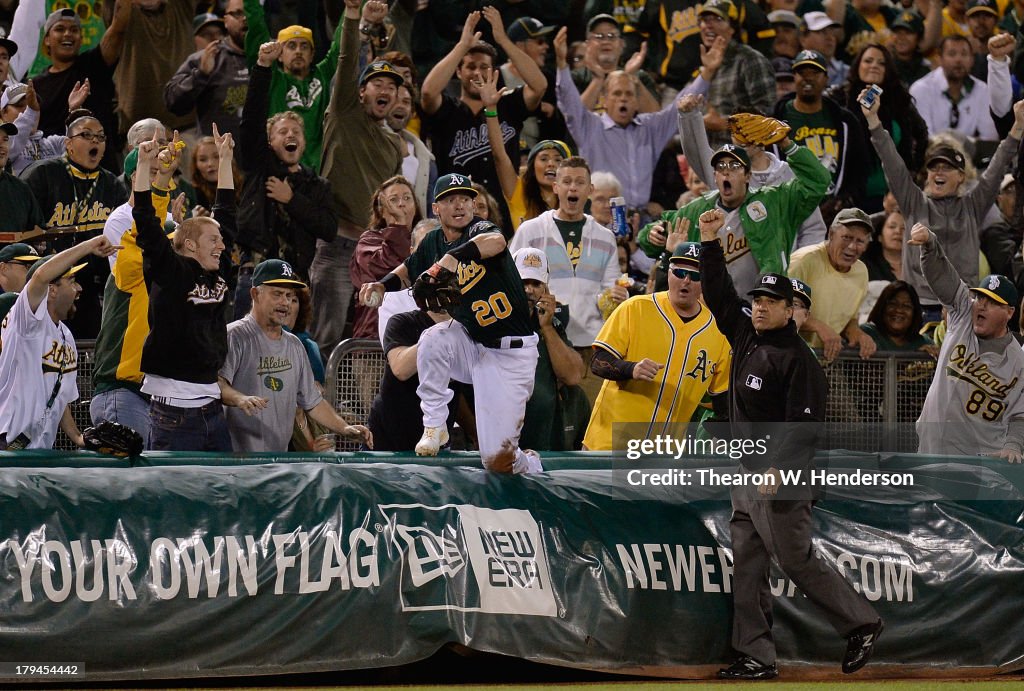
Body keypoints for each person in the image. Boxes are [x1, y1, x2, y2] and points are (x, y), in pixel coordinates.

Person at [697, 207, 884, 681]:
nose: (759, 305)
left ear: (790, 312)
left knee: (795, 560)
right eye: (757, 298)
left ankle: (861, 623)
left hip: (780, 478)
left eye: (770, 301)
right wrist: (710, 241)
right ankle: (756, 656)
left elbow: (803, 428)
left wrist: (777, 471)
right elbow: (719, 295)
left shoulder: (798, 360)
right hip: (746, 474)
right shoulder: (746, 335)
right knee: (748, 568)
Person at [359, 174, 542, 474]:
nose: (459, 205)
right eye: (450, 199)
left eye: (465, 198)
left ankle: (530, 464)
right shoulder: (433, 241)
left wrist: (452, 259)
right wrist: (381, 285)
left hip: (512, 353)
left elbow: (495, 242)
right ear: (436, 208)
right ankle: (434, 426)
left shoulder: (479, 229)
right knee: (433, 338)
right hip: (473, 344)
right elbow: (409, 269)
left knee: (497, 460)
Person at [863, 90, 1023, 322]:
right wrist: (873, 120)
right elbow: (891, 161)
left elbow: (998, 166)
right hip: (916, 308)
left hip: (961, 308)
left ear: (961, 176)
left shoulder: (973, 205)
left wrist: (1018, 126)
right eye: (934, 167)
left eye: (946, 168)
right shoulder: (913, 202)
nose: (938, 172)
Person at [132, 131, 236, 452]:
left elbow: (228, 217)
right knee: (174, 500)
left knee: (221, 496)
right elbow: (147, 225)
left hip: (212, 406)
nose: (221, 246)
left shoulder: (219, 272)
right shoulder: (171, 271)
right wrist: (144, 163)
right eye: (213, 241)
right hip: (173, 412)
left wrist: (226, 161)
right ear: (190, 245)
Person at [313, 0, 404, 355]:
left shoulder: (394, 145)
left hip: (374, 254)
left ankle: (359, 408)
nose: (384, 89)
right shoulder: (343, 112)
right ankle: (312, 409)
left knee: (370, 339)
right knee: (326, 336)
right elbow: (347, 61)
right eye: (377, 82)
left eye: (391, 86)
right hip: (335, 245)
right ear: (361, 91)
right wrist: (353, 18)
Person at [90, 131, 192, 440]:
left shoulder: (163, 248)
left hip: (155, 389)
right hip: (125, 390)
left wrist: (164, 177)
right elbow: (145, 236)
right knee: (129, 486)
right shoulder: (127, 243)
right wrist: (159, 180)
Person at [582, 241, 731, 450]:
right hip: (609, 444)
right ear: (668, 273)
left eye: (695, 275)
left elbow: (723, 399)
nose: (685, 281)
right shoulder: (636, 308)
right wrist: (631, 369)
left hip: (663, 456)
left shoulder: (719, 331)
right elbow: (597, 362)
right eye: (679, 272)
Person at [638, 138, 830, 297]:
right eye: (721, 167)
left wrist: (788, 144)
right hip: (708, 312)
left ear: (748, 175)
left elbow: (818, 181)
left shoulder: (773, 202)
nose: (726, 171)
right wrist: (652, 235)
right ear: (715, 177)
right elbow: (654, 234)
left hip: (758, 310)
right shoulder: (697, 210)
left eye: (735, 166)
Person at [219, 259, 372, 452]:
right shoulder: (235, 335)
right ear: (255, 293)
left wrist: (344, 428)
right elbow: (217, 384)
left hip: (279, 460)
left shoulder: (294, 345)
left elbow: (313, 402)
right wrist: (240, 399)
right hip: (237, 461)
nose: (285, 303)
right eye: (277, 294)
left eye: (290, 296)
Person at [235, 39, 339, 313]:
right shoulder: (259, 167)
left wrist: (292, 200)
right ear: (269, 142)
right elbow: (252, 119)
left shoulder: (317, 186)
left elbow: (328, 228)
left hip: (296, 282)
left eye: (296, 132)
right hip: (255, 274)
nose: (290, 135)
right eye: (282, 132)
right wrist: (263, 67)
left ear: (304, 143)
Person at [509, 156, 625, 400]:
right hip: (542, 345)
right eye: (567, 181)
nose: (573, 187)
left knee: (590, 429)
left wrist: (614, 297)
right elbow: (512, 283)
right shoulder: (530, 231)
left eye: (580, 182)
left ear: (590, 190)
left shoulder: (605, 237)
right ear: (556, 187)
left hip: (592, 346)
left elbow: (609, 293)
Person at [908, 221, 1024, 460]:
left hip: (978, 460)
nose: (981, 305)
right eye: (980, 297)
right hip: (931, 447)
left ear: (1009, 312)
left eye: (992, 302)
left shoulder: (1018, 361)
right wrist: (930, 246)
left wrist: (1014, 444)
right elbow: (944, 278)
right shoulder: (963, 314)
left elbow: (1019, 413)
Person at [419, 7, 547, 219]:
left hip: (506, 214)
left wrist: (504, 41)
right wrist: (461, 47)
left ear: (494, 71)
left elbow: (539, 85)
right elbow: (427, 92)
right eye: (470, 66)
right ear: (458, 72)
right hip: (456, 217)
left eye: (484, 67)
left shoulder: (507, 105)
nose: (477, 72)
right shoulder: (448, 110)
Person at [0, 234, 118, 450]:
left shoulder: (66, 336)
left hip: (40, 448)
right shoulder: (28, 320)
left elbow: (60, 398)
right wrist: (89, 245)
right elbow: (40, 277)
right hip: (7, 444)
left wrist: (78, 438)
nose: (79, 289)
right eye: (72, 282)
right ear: (52, 290)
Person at [22, 109, 129, 338]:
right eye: (87, 135)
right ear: (69, 144)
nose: (95, 142)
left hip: (93, 285)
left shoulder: (112, 185)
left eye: (100, 137)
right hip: (51, 283)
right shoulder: (42, 175)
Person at [554, 25, 681, 212]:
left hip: (640, 217)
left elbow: (663, 116)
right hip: (599, 216)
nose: (623, 98)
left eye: (629, 94)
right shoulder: (591, 125)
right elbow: (571, 106)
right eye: (617, 93)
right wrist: (562, 63)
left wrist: (706, 75)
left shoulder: (646, 127)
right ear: (604, 100)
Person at [677, 94, 827, 251]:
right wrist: (689, 116)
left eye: (754, 128)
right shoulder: (723, 173)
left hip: (784, 272)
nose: (746, 136)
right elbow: (696, 151)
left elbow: (812, 228)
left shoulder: (791, 174)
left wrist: (799, 266)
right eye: (738, 130)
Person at [11, 2, 132, 172]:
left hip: (100, 171)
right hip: (55, 176)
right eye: (60, 29)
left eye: (74, 30)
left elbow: (117, 30)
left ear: (81, 39)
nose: (68, 34)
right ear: (46, 39)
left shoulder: (94, 65)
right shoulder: (34, 86)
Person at [826, 43, 929, 211]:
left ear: (888, 69)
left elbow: (922, 135)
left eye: (881, 63)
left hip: (892, 197)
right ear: (858, 65)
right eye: (868, 61)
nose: (874, 65)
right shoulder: (839, 99)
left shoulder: (900, 100)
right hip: (849, 197)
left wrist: (912, 171)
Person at [772, 49, 869, 216]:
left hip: (835, 214)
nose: (808, 78)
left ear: (826, 78)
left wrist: (843, 201)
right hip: (789, 211)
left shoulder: (846, 121)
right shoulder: (773, 121)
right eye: (802, 72)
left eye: (815, 72)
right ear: (794, 77)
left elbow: (859, 170)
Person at [513, 247, 586, 450]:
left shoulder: (551, 325)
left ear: (545, 288)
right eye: (523, 283)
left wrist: (546, 326)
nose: (529, 290)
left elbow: (572, 377)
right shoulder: (496, 322)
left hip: (544, 434)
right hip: (506, 433)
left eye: (536, 284)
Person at [789, 208, 876, 359]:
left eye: (860, 241)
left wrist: (857, 332)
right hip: (792, 355)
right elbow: (780, 310)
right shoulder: (804, 261)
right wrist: (819, 327)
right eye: (846, 237)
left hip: (828, 358)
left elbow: (850, 318)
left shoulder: (861, 271)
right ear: (831, 235)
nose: (852, 247)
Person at [689, 0, 777, 148]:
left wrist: (725, 125)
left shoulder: (750, 60)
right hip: (710, 158)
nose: (709, 25)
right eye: (704, 20)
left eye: (718, 19)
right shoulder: (702, 67)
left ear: (732, 28)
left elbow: (769, 116)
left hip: (745, 158)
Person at [164, 0, 249, 139]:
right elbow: (173, 102)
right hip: (217, 155)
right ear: (226, 20)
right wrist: (201, 75)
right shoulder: (201, 60)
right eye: (238, 13)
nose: (245, 18)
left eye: (249, 14)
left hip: (263, 154)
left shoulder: (272, 55)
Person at [349, 175, 420, 340]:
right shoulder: (368, 240)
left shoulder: (427, 239)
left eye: (407, 198)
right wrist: (399, 225)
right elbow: (386, 269)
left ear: (416, 206)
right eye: (393, 200)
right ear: (381, 209)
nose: (401, 204)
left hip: (417, 340)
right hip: (373, 340)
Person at [910, 35, 998, 139]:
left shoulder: (982, 90)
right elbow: (924, 137)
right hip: (931, 153)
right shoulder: (920, 89)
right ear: (939, 59)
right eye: (952, 54)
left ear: (972, 60)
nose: (958, 60)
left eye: (964, 54)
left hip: (970, 154)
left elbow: (989, 137)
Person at [860, 280, 937, 353]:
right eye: (893, 304)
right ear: (882, 307)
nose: (899, 310)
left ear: (915, 312)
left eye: (906, 306)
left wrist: (921, 359)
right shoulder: (865, 334)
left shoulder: (924, 343)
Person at [0, 121, 43, 233]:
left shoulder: (20, 189)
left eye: (5, 140)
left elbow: (38, 229)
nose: (2, 146)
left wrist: (40, 242)